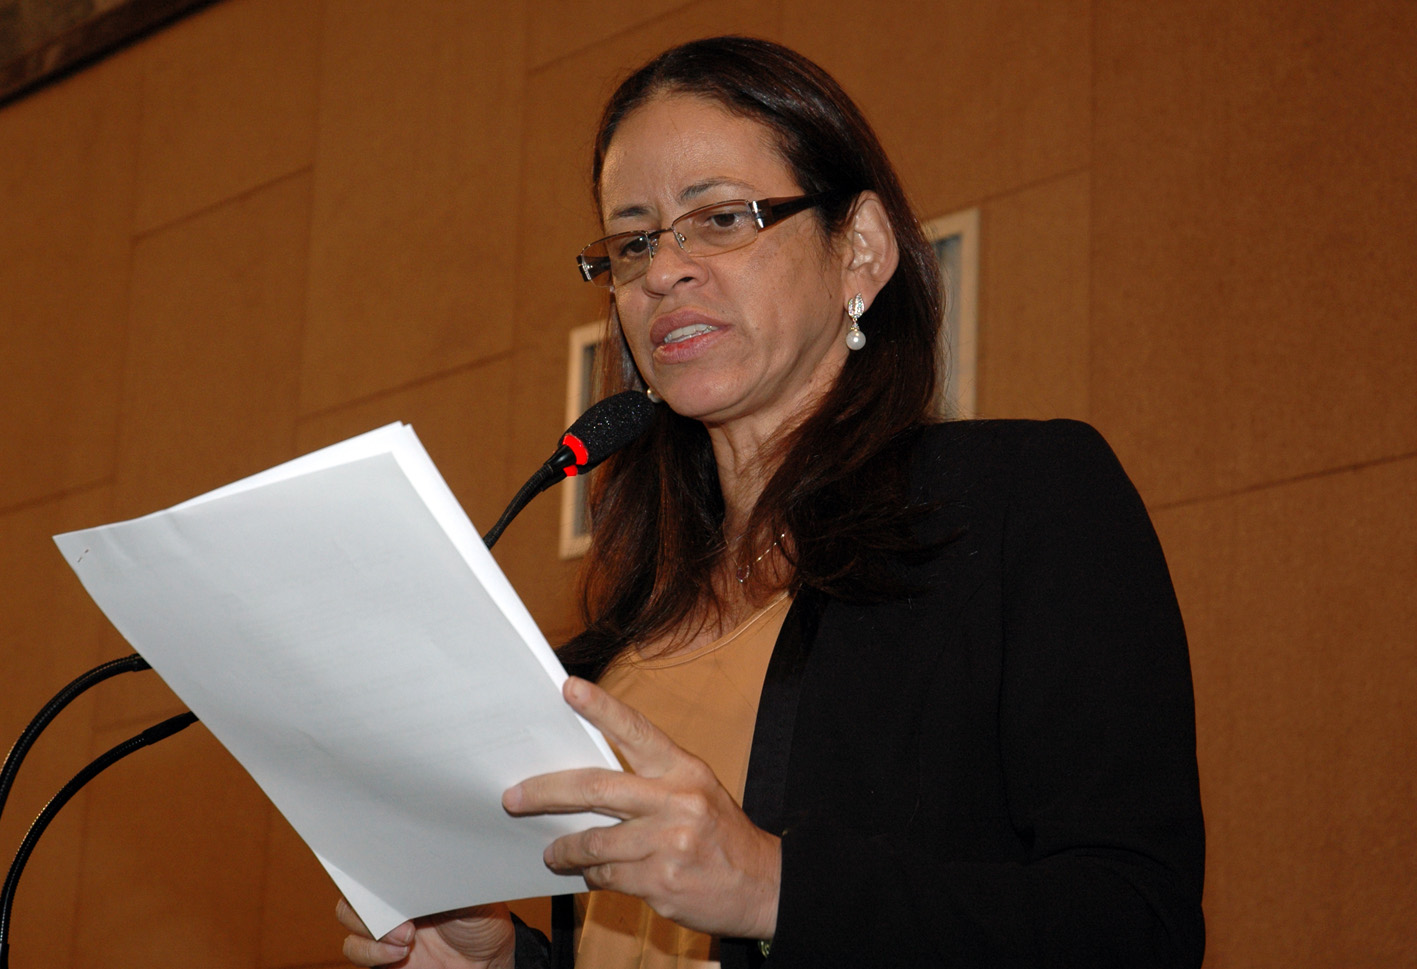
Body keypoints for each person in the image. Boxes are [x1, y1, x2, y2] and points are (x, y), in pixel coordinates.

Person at [337, 35, 1205, 969]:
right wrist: (498, 963)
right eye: (634, 241)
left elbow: (1137, 923)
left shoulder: (1018, 504)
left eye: (719, 218)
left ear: (858, 249)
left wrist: (772, 888)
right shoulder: (615, 636)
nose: (663, 270)